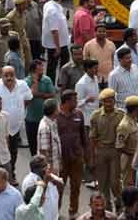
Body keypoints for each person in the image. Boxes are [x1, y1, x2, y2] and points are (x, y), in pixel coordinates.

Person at [0, 66, 35, 182]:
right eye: (6, 75)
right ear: (1, 76)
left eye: (11, 75)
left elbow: (29, 98)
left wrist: (20, 110)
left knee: (12, 151)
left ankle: (10, 175)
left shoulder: (22, 85)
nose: (9, 78)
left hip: (15, 127)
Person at [57, 90, 89, 219]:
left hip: (77, 158)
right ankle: (56, 211)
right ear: (66, 102)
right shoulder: (56, 116)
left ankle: (73, 211)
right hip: (61, 159)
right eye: (74, 100)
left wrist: (87, 155)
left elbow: (84, 137)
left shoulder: (79, 114)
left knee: (76, 186)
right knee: (59, 187)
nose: (76, 102)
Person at [21, 155, 65, 220]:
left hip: (53, 216)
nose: (48, 167)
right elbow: (36, 202)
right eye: (45, 166)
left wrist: (54, 180)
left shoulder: (49, 175)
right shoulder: (29, 182)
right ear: (37, 169)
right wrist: (46, 182)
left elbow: (61, 186)